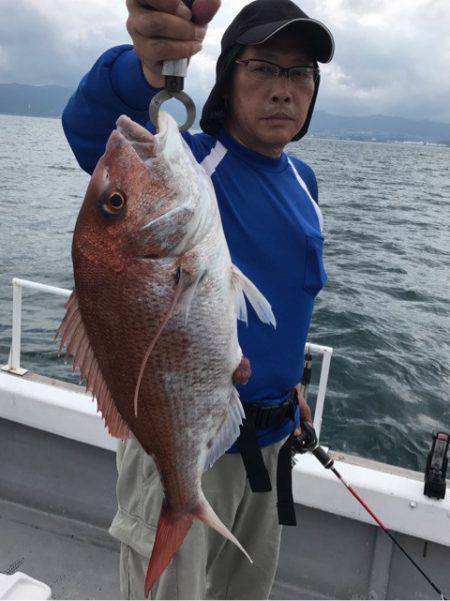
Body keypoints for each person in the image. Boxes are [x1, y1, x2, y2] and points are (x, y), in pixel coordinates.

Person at [62, 0, 334, 598]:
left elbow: (286, 298)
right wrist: (150, 66)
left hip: (270, 443)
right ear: (228, 74)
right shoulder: (187, 165)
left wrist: (289, 385)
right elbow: (90, 128)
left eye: (301, 72)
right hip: (174, 444)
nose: (284, 89)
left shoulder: (303, 181)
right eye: (264, 67)